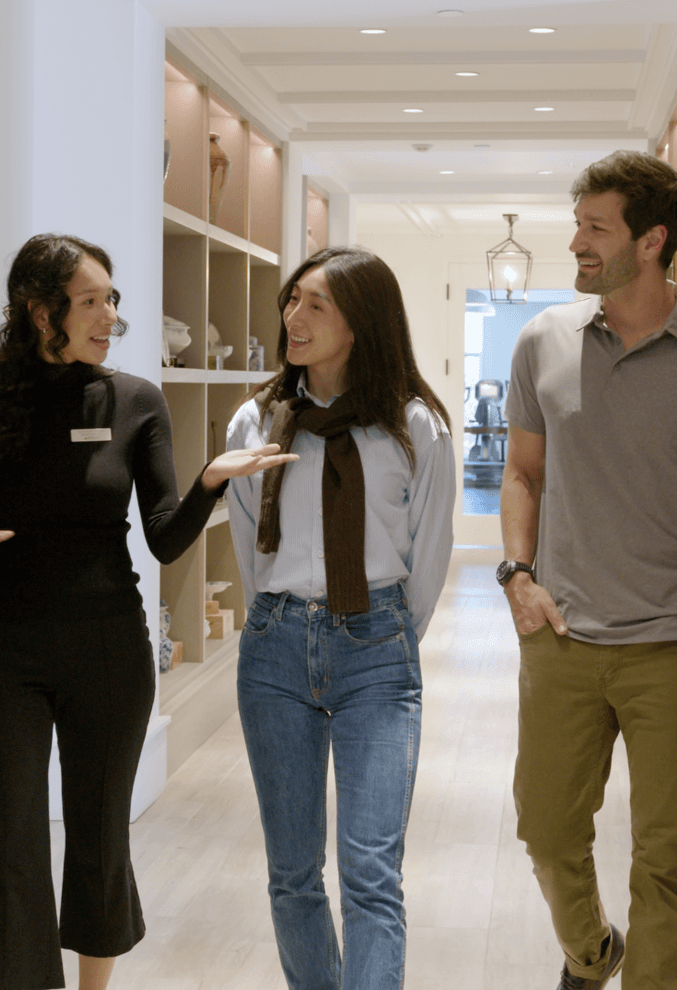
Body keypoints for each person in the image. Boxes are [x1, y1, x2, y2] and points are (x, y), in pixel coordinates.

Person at [0, 233, 294, 990]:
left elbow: (163, 540)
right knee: (9, 846)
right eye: (90, 301)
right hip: (3, 651)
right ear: (40, 312)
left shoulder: (136, 401)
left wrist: (209, 482)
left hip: (107, 648)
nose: (109, 316)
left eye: (111, 300)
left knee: (99, 835)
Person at [501, 151, 677, 990]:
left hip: (676, 647)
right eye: (577, 223)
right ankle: (590, 954)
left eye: (595, 227)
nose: (576, 241)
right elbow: (522, 473)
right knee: (545, 831)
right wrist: (518, 575)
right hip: (563, 635)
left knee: (663, 861)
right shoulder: (543, 339)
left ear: (652, 240)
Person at [225, 246, 456, 990]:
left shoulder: (414, 428)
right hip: (274, 647)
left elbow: (428, 553)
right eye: (291, 300)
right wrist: (286, 615)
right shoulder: (256, 422)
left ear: (362, 321)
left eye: (316, 304)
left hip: (377, 651)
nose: (293, 317)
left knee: (369, 872)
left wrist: (381, 635)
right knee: (292, 872)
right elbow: (245, 545)